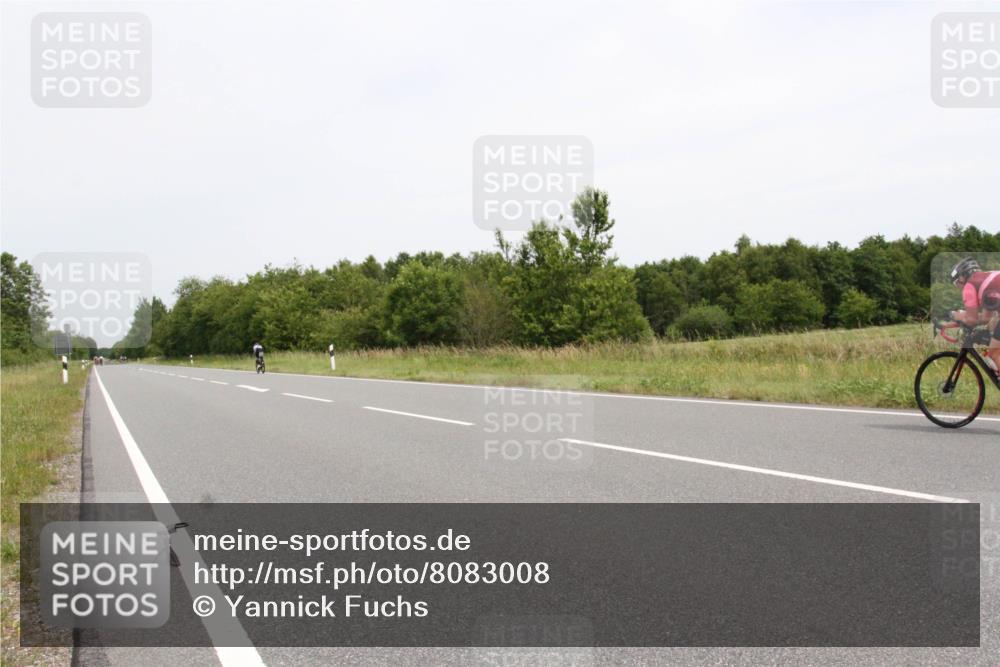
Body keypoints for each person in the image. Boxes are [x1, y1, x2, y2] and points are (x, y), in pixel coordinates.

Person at [949, 257, 1000, 377]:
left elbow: (972, 320)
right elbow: (986, 318)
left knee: (993, 353)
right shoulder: (986, 281)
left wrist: (956, 315)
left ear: (962, 277)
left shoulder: (969, 285)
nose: (958, 287)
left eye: (956, 283)